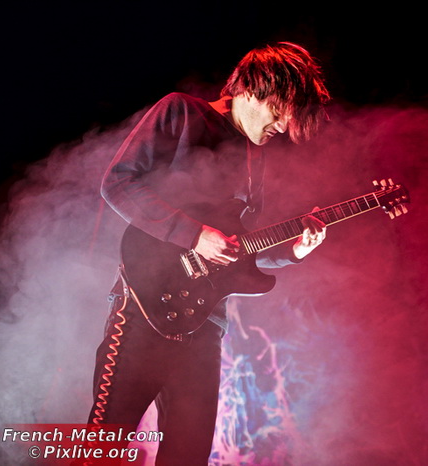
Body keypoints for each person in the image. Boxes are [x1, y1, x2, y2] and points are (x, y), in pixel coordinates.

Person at [86, 42, 330, 465]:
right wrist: (194, 233)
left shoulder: (254, 159)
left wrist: (293, 251)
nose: (284, 125)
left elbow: (239, 250)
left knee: (188, 455)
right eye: (280, 111)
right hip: (141, 310)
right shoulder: (181, 112)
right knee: (102, 449)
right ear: (252, 88)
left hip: (205, 328)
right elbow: (118, 182)